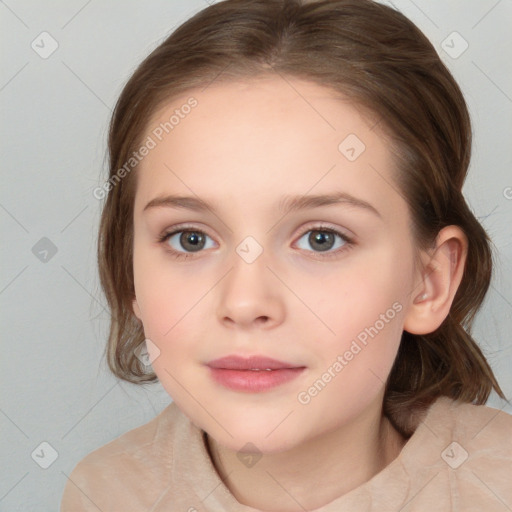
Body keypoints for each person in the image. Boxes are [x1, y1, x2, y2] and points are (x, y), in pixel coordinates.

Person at [61, 0, 512, 510]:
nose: (246, 302)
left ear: (428, 282)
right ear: (130, 274)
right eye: (191, 238)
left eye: (322, 238)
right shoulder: (103, 493)